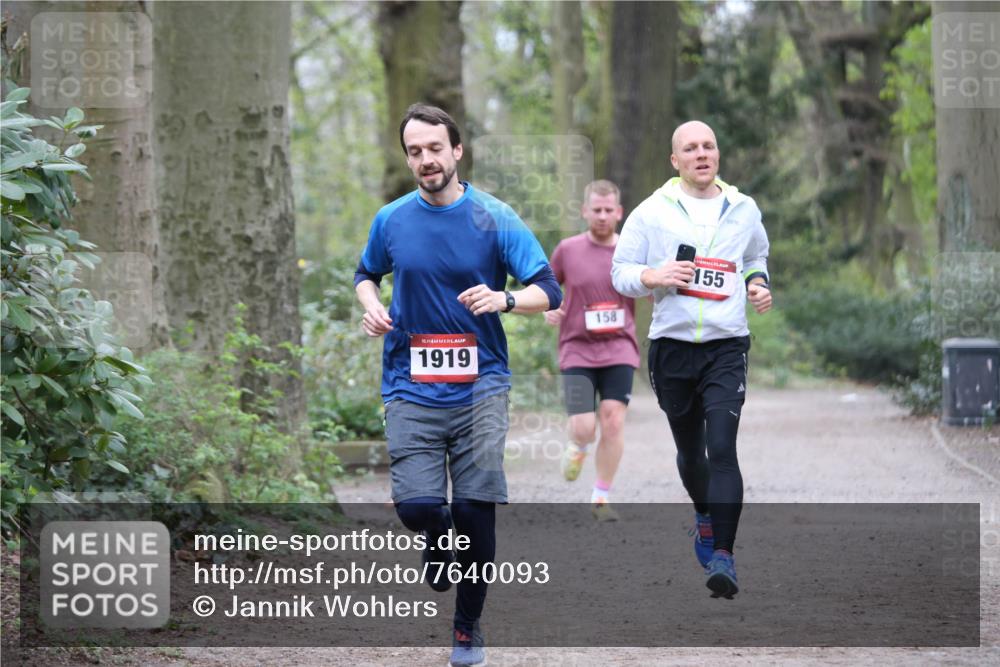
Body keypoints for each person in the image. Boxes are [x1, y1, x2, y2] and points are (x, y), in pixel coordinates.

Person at [354, 103, 561, 667]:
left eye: (435, 148)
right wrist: (372, 306)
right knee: (419, 506)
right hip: (410, 383)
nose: (426, 159)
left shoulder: (494, 217)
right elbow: (365, 274)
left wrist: (506, 299)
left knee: (476, 511)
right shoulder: (391, 219)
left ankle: (467, 627)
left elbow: (549, 288)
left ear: (457, 151)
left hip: (481, 386)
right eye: (415, 151)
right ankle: (436, 535)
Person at [611, 120, 772, 599]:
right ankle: (704, 515)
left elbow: (757, 256)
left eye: (708, 146)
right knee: (691, 451)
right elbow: (620, 272)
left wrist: (757, 284)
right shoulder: (651, 212)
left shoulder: (743, 209)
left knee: (722, 449)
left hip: (726, 345)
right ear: (674, 160)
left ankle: (724, 555)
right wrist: (654, 275)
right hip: (673, 348)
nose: (701, 154)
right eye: (690, 148)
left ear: (717, 154)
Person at [544, 180, 639, 522]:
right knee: (584, 426)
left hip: (619, 346)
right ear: (585, 211)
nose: (602, 216)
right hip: (577, 347)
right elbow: (547, 288)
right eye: (595, 210)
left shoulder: (631, 250)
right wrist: (547, 308)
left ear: (619, 212)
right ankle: (579, 446)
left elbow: (649, 285)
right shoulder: (567, 250)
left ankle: (600, 497)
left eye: (608, 210)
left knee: (613, 421)